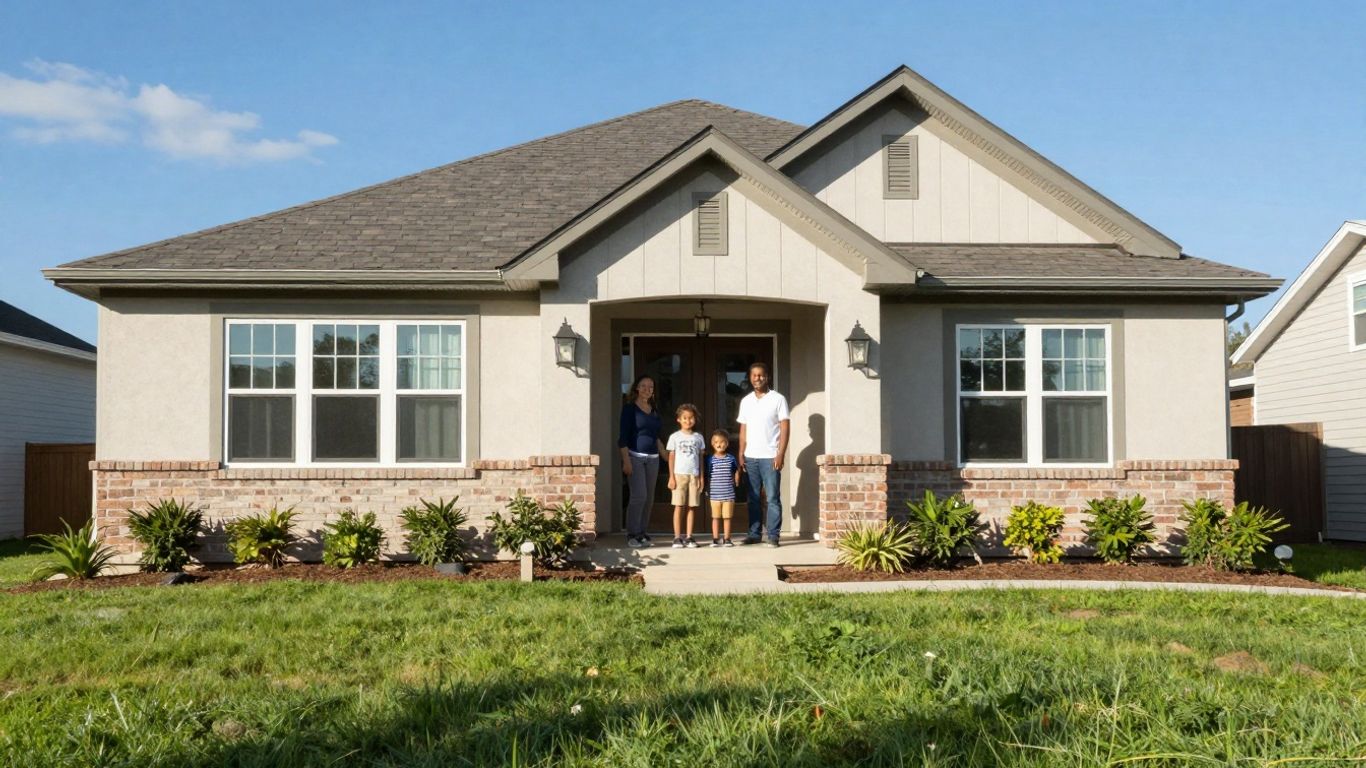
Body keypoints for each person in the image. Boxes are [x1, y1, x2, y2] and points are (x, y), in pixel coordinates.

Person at [737, 362, 790, 547]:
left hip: (770, 457)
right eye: (754, 375)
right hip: (751, 457)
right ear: (750, 378)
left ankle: (773, 536)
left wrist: (780, 454)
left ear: (767, 377)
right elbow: (743, 428)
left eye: (761, 375)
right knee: (753, 498)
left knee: (772, 497)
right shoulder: (746, 401)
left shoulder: (778, 399)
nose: (757, 378)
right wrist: (741, 453)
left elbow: (784, 427)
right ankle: (754, 534)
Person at [618, 375, 664, 548]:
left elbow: (656, 437)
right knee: (639, 496)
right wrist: (626, 461)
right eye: (643, 386)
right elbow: (622, 437)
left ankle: (642, 532)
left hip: (653, 459)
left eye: (650, 387)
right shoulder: (630, 409)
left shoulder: (654, 410)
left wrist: (665, 454)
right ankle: (632, 534)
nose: (647, 389)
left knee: (649, 498)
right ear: (636, 388)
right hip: (635, 457)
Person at [665, 403, 705, 548]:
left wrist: (701, 477)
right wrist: (671, 477)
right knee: (678, 505)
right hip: (679, 475)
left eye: (691, 418)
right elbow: (671, 457)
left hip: (693, 475)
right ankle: (677, 537)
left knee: (692, 506)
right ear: (679, 420)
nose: (688, 421)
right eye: (685, 418)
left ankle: (689, 536)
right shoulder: (674, 437)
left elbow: (700, 458)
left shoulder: (698, 437)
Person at [706, 429, 740, 547]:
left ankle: (727, 538)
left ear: (727, 443)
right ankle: (715, 539)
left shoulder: (731, 458)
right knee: (715, 517)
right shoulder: (711, 459)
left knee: (727, 517)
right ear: (712, 443)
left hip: (728, 494)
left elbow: (736, 470)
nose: (719, 444)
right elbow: (708, 475)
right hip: (715, 494)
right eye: (716, 442)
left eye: (722, 442)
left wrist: (736, 478)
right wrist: (707, 489)